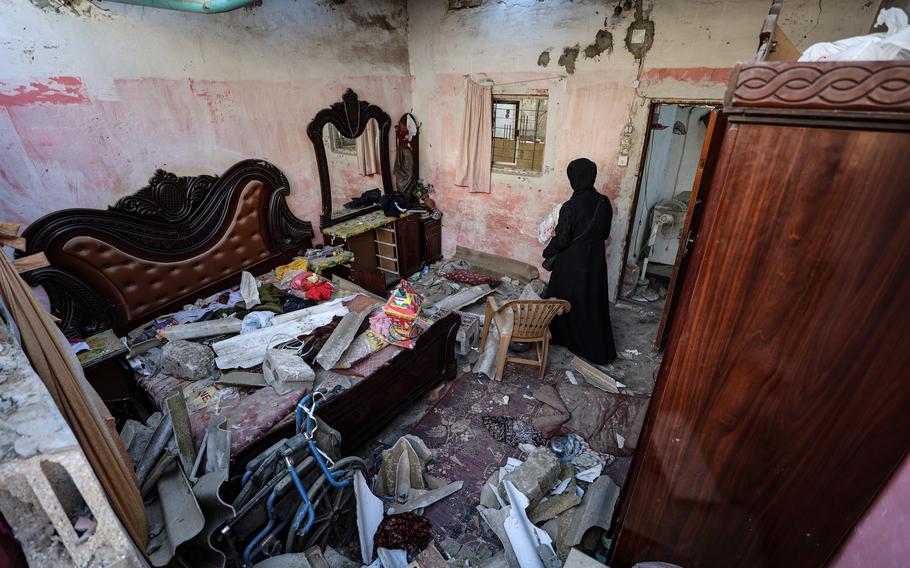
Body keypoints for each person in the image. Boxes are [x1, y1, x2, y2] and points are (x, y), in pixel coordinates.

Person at [543, 158, 617, 364]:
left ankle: (563, 338)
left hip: (571, 262)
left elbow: (563, 239)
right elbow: (604, 234)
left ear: (574, 178)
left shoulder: (570, 206)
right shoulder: (604, 202)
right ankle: (596, 348)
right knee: (591, 301)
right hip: (594, 260)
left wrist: (548, 251)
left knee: (564, 300)